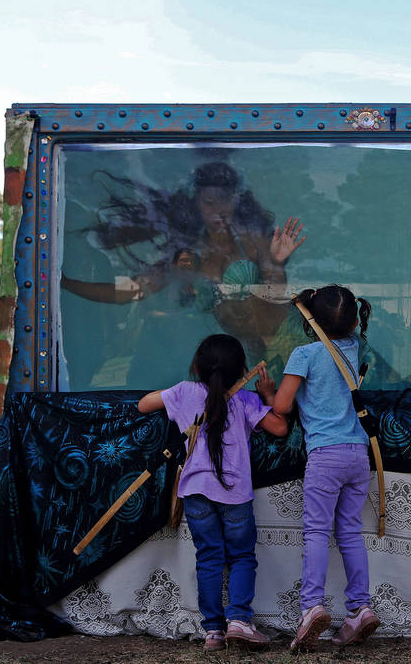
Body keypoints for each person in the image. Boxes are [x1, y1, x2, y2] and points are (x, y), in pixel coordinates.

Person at [62, 158, 307, 382]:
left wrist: (276, 263)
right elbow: (129, 291)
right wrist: (65, 284)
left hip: (269, 347)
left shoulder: (254, 243)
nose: (217, 210)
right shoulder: (187, 254)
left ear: (236, 200)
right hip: (222, 361)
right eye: (208, 202)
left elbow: (276, 293)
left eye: (224, 200)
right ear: (196, 204)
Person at [138, 333, 289, 652]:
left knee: (208, 557)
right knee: (242, 556)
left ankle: (213, 633)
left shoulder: (184, 392)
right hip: (235, 495)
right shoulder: (246, 400)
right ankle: (239, 621)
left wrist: (176, 394)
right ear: (242, 370)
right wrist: (267, 394)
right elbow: (280, 427)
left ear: (198, 366)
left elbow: (143, 404)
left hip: (196, 493)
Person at [271, 285, 380, 651]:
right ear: (353, 321)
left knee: (317, 532)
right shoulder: (357, 349)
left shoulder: (306, 354)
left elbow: (283, 406)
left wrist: (268, 392)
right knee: (349, 532)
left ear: (312, 322)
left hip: (325, 455)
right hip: (358, 456)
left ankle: (312, 607)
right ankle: (360, 609)